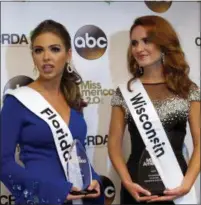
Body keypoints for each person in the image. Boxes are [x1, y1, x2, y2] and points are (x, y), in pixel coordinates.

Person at [0, 19, 104, 205]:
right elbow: (3, 163)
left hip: (78, 198)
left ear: (69, 54)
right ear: (33, 56)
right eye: (39, 50)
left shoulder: (72, 99)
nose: (46, 57)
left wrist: (93, 179)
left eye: (55, 49)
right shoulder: (17, 101)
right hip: (40, 199)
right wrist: (51, 190)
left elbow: (78, 155)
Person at [108, 15, 200, 204]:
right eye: (134, 43)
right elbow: (114, 146)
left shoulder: (188, 91)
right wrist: (127, 182)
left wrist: (187, 183)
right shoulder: (126, 92)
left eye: (146, 41)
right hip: (137, 188)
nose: (139, 49)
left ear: (163, 43)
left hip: (176, 186)